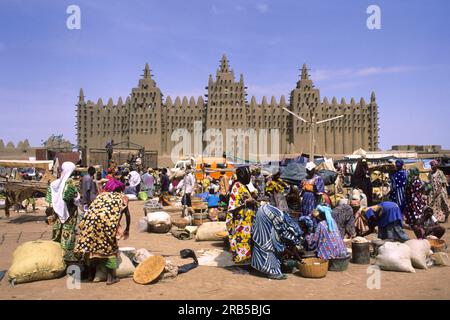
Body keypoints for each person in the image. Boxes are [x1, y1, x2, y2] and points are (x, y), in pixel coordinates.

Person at [75, 178, 131, 285]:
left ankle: (91, 275)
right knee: (111, 248)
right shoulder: (122, 198)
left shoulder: (100, 196)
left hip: (89, 224)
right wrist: (127, 228)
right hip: (107, 226)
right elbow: (127, 214)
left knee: (91, 247)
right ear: (120, 189)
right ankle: (111, 278)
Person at [251, 204, 302, 280]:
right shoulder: (283, 225)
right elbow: (281, 244)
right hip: (264, 220)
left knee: (266, 244)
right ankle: (272, 272)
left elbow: (289, 244)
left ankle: (266, 268)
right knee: (269, 247)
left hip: (263, 217)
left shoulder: (285, 223)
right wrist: (296, 257)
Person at [45, 162, 80, 262]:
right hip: (70, 214)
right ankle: (67, 257)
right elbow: (69, 197)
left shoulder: (55, 184)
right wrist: (77, 196)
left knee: (58, 232)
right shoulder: (70, 183)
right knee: (68, 234)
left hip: (58, 214)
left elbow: (49, 199)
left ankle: (56, 255)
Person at [226, 166, 257, 264]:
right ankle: (241, 258)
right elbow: (234, 201)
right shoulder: (237, 185)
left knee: (247, 238)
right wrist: (248, 201)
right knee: (241, 238)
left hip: (247, 219)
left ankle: (246, 258)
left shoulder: (243, 186)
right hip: (241, 218)